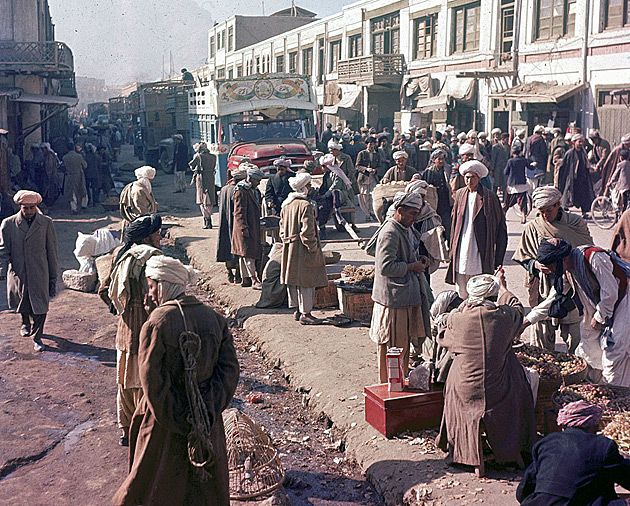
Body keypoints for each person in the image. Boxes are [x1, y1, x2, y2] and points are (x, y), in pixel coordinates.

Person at [112, 256, 239, 506]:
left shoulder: (157, 324)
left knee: (154, 485)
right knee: (205, 490)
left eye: (150, 287)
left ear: (162, 285)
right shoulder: (214, 319)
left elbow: (153, 384)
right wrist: (206, 410)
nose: (148, 295)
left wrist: (181, 421)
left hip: (164, 425)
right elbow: (229, 371)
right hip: (207, 420)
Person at [436, 273, 536, 474]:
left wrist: (461, 309)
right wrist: (504, 287)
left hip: (465, 391)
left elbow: (443, 334)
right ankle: (514, 446)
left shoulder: (457, 319)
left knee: (454, 369)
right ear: (494, 296)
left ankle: (461, 448)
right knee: (519, 376)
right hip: (499, 392)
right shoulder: (505, 317)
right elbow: (518, 308)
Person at [100, 214, 162, 447]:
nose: (160, 236)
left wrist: (120, 308)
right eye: (157, 233)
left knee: (125, 380)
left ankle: (125, 429)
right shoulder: (152, 258)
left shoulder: (121, 254)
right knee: (144, 378)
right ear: (147, 236)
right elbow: (158, 296)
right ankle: (142, 428)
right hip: (145, 325)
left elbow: (103, 290)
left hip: (124, 329)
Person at [536, 239, 630, 386]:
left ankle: (615, 393)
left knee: (614, 351)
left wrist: (599, 317)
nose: (553, 272)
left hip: (624, 301)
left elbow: (610, 293)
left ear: (562, 259)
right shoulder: (567, 271)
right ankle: (599, 384)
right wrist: (527, 321)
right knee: (588, 348)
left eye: (552, 267)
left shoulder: (594, 258)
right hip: (600, 307)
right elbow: (553, 299)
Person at [513, 186, 592, 353]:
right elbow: (523, 256)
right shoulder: (533, 227)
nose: (545, 215)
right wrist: (535, 265)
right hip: (542, 287)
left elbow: (586, 251)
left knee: (577, 341)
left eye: (548, 210)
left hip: (572, 286)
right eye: (541, 211)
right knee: (541, 342)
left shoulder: (576, 224)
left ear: (558, 204)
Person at [516, 400, 630, 505]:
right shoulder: (603, 446)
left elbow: (522, 491)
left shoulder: (546, 443)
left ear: (563, 426)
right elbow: (625, 476)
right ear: (594, 425)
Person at [369, 192, 428, 383]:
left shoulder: (403, 228)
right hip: (393, 301)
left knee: (401, 348)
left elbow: (403, 256)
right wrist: (412, 267)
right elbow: (385, 267)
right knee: (393, 348)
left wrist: (417, 260)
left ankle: (398, 384)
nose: (414, 219)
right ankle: (390, 387)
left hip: (402, 297)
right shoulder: (390, 232)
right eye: (411, 214)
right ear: (400, 210)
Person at [0, 190, 58, 352]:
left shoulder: (46, 223)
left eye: (32, 208)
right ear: (20, 207)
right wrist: (2, 270)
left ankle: (37, 337)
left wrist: (53, 276)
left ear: (36, 206)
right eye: (26, 208)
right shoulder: (9, 224)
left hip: (40, 271)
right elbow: (4, 250)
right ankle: (25, 322)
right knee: (22, 301)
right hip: (18, 271)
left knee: (40, 305)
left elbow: (51, 251)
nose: (29, 211)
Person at [446, 161, 507, 298]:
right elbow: (454, 224)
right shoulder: (460, 195)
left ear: (479, 178)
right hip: (461, 246)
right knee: (461, 285)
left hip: (480, 248)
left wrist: (498, 258)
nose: (469, 180)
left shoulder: (489, 197)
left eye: (472, 177)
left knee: (479, 285)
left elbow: (500, 229)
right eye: (467, 177)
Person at [279, 172, 328, 325]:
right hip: (302, 249)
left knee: (294, 280)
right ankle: (306, 313)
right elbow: (307, 232)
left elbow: (281, 229)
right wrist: (313, 248)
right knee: (307, 282)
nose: (311, 187)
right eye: (308, 185)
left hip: (290, 246)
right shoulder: (305, 205)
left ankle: (297, 310)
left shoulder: (287, 204)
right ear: (303, 187)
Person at [231, 164, 264, 289]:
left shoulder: (254, 190)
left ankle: (245, 279)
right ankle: (254, 279)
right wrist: (243, 228)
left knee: (245, 253)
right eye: (257, 180)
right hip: (244, 228)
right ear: (250, 178)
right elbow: (239, 213)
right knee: (248, 254)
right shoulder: (241, 191)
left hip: (252, 226)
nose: (259, 183)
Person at [216, 167, 246, 283]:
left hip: (224, 222)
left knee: (225, 245)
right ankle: (238, 273)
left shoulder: (224, 189)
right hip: (235, 223)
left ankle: (229, 272)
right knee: (237, 247)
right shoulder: (238, 191)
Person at [558, 134, 595, 218]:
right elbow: (564, 167)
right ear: (573, 143)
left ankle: (584, 212)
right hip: (571, 178)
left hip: (582, 178)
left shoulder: (583, 152)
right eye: (579, 142)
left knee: (584, 195)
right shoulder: (569, 153)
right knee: (567, 194)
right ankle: (563, 211)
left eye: (582, 142)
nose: (581, 143)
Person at [421, 149, 453, 239]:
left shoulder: (447, 170)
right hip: (433, 204)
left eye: (442, 159)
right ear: (433, 160)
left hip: (445, 203)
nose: (441, 161)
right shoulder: (428, 172)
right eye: (439, 159)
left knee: (447, 225)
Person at [119, 166, 158, 230]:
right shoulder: (139, 191)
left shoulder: (143, 187)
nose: (151, 182)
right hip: (138, 221)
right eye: (150, 180)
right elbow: (140, 210)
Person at [504, 146, 535, 223]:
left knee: (507, 201)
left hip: (512, 184)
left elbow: (505, 172)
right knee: (522, 201)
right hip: (522, 183)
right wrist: (534, 165)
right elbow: (531, 168)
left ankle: (504, 214)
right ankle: (523, 216)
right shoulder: (523, 160)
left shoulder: (510, 161)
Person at [189, 142, 216, 229]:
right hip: (211, 178)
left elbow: (191, 165)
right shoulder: (213, 156)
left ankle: (207, 220)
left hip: (201, 179)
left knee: (201, 200)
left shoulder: (198, 156)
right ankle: (209, 221)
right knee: (210, 199)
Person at [355, 137, 379, 221]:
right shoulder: (362, 153)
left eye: (372, 144)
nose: (371, 146)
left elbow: (380, 166)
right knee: (364, 197)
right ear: (366, 145)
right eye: (369, 144)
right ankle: (367, 214)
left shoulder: (377, 154)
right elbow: (357, 166)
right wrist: (365, 169)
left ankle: (372, 212)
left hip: (373, 178)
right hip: (363, 178)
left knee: (373, 196)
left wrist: (375, 170)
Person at [62, 142, 88, 214]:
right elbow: (85, 165)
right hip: (79, 175)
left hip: (69, 176)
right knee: (82, 190)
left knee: (71, 193)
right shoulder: (79, 156)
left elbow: (63, 167)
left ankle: (74, 208)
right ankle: (83, 205)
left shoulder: (65, 157)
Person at [524, 125, 548, 191]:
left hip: (528, 162)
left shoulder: (528, 139)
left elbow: (524, 152)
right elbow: (544, 152)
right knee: (536, 184)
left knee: (529, 183)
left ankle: (530, 197)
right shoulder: (540, 139)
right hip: (538, 164)